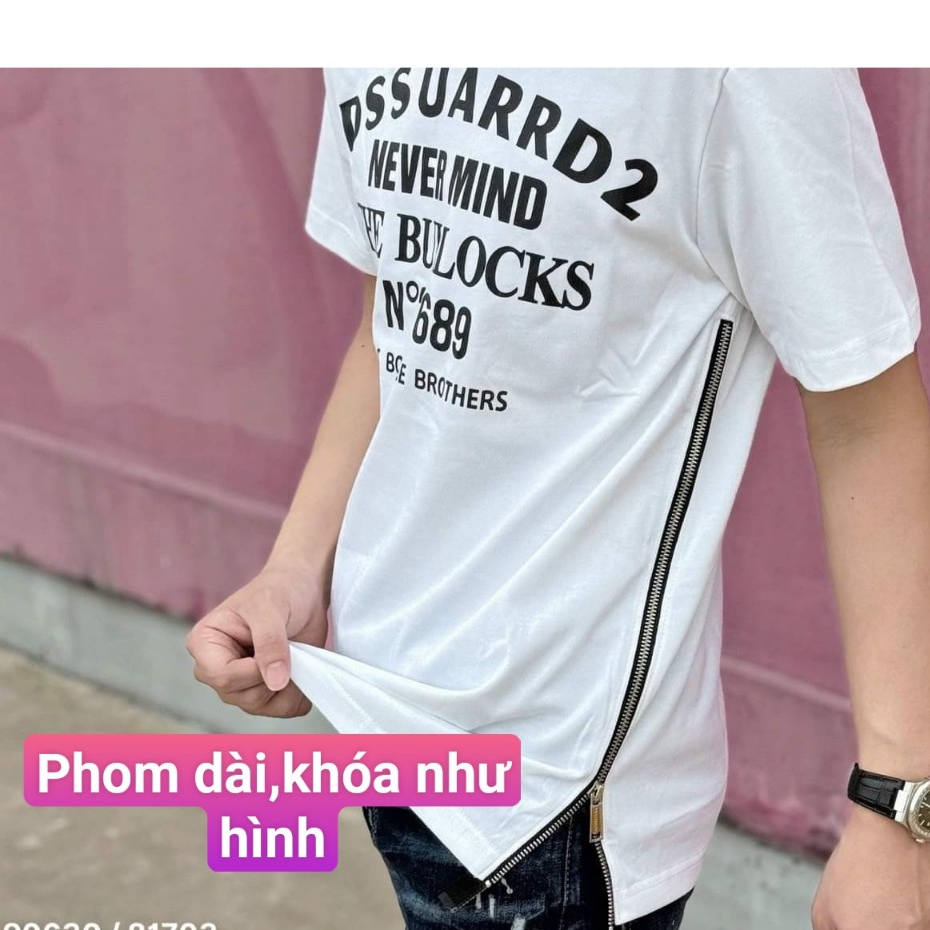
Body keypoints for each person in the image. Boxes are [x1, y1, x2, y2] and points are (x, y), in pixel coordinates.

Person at [185, 68, 930, 930]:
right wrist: (294, 571)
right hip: (379, 702)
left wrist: (900, 811)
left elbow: (866, 411)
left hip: (554, 790)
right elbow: (398, 320)